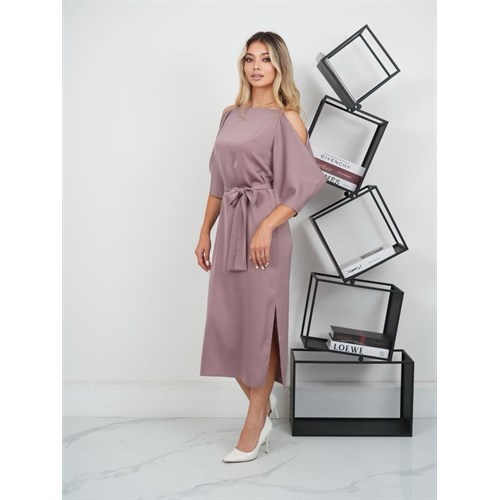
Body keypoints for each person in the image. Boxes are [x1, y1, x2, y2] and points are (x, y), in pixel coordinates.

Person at [195, 31, 327, 463]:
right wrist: (205, 231)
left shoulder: (287, 119)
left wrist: (267, 226)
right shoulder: (229, 115)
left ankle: (254, 423)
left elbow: (304, 183)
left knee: (262, 324)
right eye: (249, 58)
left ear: (279, 67)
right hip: (231, 227)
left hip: (265, 232)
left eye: (265, 59)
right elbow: (218, 181)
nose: (256, 66)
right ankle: (262, 406)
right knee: (227, 323)